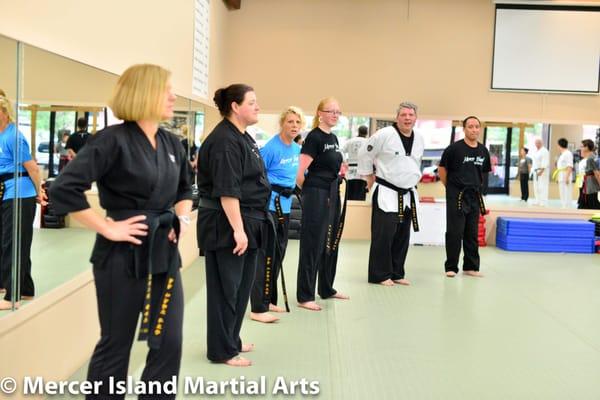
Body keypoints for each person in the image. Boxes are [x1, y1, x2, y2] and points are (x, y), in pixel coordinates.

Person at [50, 64, 192, 398]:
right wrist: (107, 228)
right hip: (120, 258)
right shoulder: (111, 140)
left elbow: (186, 189)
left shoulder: (172, 143)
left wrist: (181, 221)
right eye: (165, 89)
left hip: (162, 254)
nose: (173, 95)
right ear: (143, 93)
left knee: (169, 341)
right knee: (116, 345)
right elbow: (63, 189)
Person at [196, 84, 270, 367]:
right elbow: (228, 191)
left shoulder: (243, 137)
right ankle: (221, 350)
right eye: (252, 102)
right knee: (226, 288)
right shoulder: (224, 141)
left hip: (249, 220)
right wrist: (238, 230)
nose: (257, 107)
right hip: (227, 225)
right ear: (236, 107)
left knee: (241, 287)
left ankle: (232, 339)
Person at [358, 102, 424, 286]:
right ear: (397, 117)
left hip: (408, 194)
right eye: (403, 115)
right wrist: (368, 177)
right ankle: (379, 274)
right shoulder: (384, 134)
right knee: (384, 235)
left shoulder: (419, 137)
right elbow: (365, 153)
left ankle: (397, 272)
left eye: (411, 115)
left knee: (402, 236)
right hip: (387, 191)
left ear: (416, 118)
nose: (407, 118)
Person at [295, 97, 349, 311]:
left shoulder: (334, 137)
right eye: (330, 111)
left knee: (330, 241)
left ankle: (326, 288)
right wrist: (310, 192)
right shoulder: (314, 138)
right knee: (313, 244)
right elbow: (299, 173)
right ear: (320, 114)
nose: (335, 115)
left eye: (338, 111)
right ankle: (305, 295)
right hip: (316, 193)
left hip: (332, 192)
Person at [250, 106, 303, 323]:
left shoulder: (296, 149)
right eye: (290, 122)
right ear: (282, 123)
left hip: (287, 205)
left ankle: (270, 299)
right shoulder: (271, 148)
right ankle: (258, 306)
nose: (294, 126)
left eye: (297, 123)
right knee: (266, 255)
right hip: (270, 207)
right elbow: (257, 176)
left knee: (279, 253)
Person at [0, 96, 46, 310]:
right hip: (7, 192)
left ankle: (13, 295)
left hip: (21, 192)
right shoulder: (1, 136)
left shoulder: (14, 137)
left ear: (4, 112)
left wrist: (40, 192)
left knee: (14, 243)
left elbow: (33, 168)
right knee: (12, 241)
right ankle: (25, 289)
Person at [438, 116, 491, 278]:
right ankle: (451, 267)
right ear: (464, 129)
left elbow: (483, 172)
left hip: (474, 196)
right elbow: (442, 170)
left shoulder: (483, 151)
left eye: (476, 127)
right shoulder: (454, 149)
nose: (474, 130)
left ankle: (471, 266)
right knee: (455, 232)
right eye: (470, 127)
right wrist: (452, 189)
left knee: (471, 232)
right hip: (457, 195)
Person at [343, 125, 369, 200]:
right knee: (360, 197)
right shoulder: (368, 142)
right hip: (362, 172)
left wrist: (345, 162)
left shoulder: (350, 141)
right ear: (366, 133)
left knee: (350, 196)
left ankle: (349, 211)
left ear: (358, 131)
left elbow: (341, 151)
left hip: (351, 170)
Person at [578, 139, 600, 209]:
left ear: (587, 147)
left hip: (590, 186)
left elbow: (597, 174)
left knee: (593, 204)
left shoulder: (591, 159)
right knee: (584, 204)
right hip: (584, 185)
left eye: (582, 146)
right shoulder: (586, 159)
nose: (580, 148)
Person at [555, 138, 573, 208]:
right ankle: (564, 208)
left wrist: (567, 177)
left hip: (565, 177)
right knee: (562, 194)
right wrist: (557, 177)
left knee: (566, 194)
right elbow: (559, 168)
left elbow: (570, 166)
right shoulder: (562, 154)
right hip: (561, 176)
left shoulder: (568, 153)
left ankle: (567, 209)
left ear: (559, 145)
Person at [531, 138, 549, 206]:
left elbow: (545, 161)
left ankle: (543, 201)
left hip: (542, 171)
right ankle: (537, 200)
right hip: (535, 170)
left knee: (542, 186)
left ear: (540, 143)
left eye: (537, 143)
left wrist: (541, 170)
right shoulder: (536, 151)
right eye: (535, 143)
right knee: (536, 186)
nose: (536, 145)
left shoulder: (544, 151)